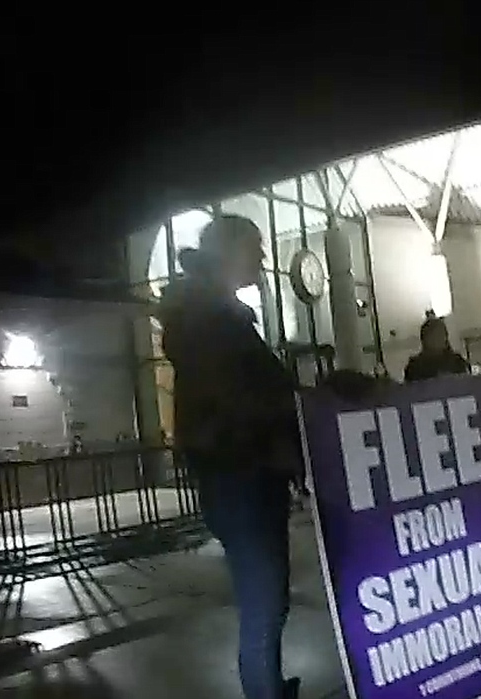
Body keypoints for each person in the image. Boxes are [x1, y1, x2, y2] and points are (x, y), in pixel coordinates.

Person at [157, 214, 302, 699]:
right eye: (254, 247)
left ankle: (272, 688)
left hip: (246, 474)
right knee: (263, 603)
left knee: (268, 600)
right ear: (226, 253)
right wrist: (298, 404)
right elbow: (243, 400)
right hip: (241, 476)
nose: (263, 257)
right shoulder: (210, 322)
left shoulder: (215, 316)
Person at [403, 314, 470, 382]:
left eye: (440, 335)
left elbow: (464, 386)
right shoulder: (414, 367)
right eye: (433, 335)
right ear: (424, 339)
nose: (437, 338)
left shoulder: (457, 362)